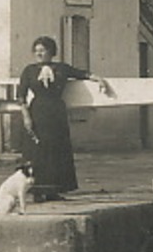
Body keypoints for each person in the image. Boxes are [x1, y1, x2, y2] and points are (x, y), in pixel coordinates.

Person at [17, 36, 111, 201]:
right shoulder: (29, 71)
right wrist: (26, 117)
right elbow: (21, 96)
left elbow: (82, 74)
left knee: (57, 150)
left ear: (51, 52)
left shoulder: (61, 68)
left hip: (56, 112)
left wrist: (100, 79)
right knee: (38, 151)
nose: (39, 54)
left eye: (43, 50)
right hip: (38, 112)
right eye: (36, 50)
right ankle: (37, 191)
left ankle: (54, 190)